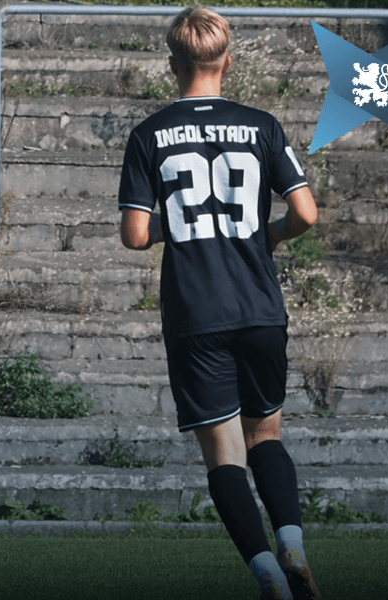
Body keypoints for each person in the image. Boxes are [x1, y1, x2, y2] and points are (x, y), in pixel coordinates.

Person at [117, 6, 321, 600]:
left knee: (223, 450)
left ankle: (265, 575)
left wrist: (179, 228)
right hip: (259, 303)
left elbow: (134, 234)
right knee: (268, 435)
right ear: (227, 61)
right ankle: (293, 541)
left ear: (172, 63)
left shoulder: (148, 134)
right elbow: (305, 213)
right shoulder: (262, 124)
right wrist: (270, 234)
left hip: (195, 310)